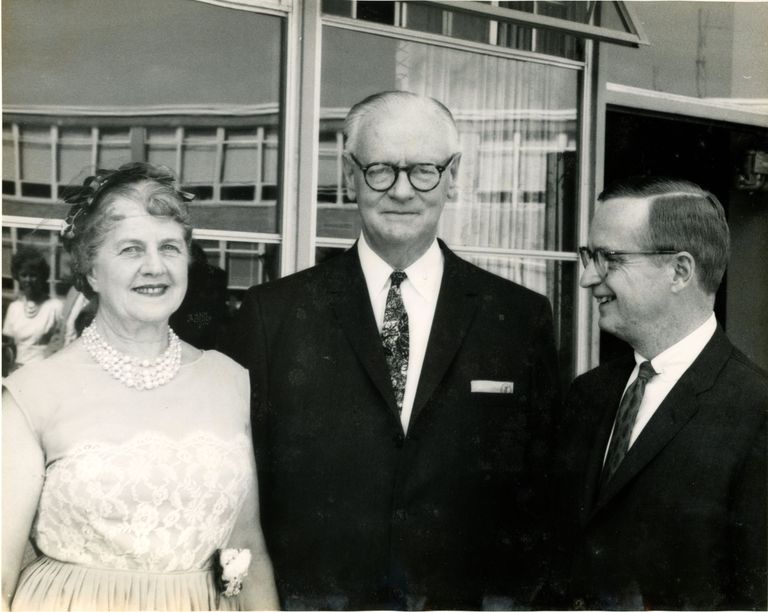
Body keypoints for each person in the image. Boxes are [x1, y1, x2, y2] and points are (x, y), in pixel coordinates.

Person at [224, 91, 560, 610]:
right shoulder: (273, 314)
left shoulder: (519, 318)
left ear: (453, 175)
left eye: (424, 170)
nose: (402, 191)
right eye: (381, 169)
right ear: (349, 175)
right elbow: (245, 489)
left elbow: (538, 492)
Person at [2, 162, 278, 611]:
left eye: (169, 247)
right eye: (131, 249)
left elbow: (248, 549)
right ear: (91, 270)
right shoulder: (31, 395)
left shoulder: (229, 380)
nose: (155, 267)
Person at [555, 177, 767, 609]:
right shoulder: (587, 395)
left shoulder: (757, 411)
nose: (587, 277)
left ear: (680, 271)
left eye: (608, 258)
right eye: (588, 256)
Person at [2, 247, 63, 371]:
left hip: (44, 372)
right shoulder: (14, 308)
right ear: (17, 277)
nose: (28, 280)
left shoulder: (55, 307)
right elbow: (9, 347)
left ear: (42, 276)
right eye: (24, 275)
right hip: (17, 372)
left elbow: (64, 344)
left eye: (33, 275)